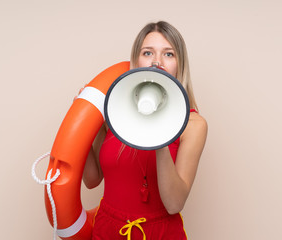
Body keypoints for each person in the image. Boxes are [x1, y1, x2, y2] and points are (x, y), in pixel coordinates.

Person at [82, 21, 208, 240]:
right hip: (108, 230)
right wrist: (81, 124)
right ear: (136, 61)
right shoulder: (113, 113)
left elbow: (174, 204)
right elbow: (92, 180)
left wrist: (160, 134)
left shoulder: (194, 125)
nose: (156, 61)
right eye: (148, 52)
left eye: (168, 54)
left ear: (180, 64)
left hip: (160, 233)